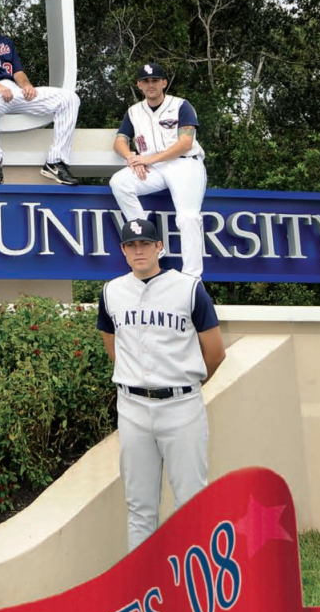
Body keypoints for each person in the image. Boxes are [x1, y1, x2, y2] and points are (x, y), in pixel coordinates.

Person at [97, 218, 226, 552]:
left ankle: (195, 591)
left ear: (159, 247)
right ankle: (142, 591)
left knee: (192, 503)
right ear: (123, 251)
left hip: (181, 405)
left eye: (145, 244)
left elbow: (214, 353)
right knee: (139, 505)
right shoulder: (112, 291)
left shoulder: (188, 288)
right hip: (133, 407)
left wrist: (186, 385)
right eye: (131, 245)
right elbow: (112, 342)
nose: (138, 250)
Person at [0, 0, 80, 185]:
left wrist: (27, 85)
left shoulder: (5, 41)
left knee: (69, 99)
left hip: (11, 91)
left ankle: (55, 161)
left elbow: (18, 72)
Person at [110, 62, 208, 278]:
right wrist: (131, 157)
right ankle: (151, 240)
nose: (150, 84)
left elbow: (185, 143)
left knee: (188, 217)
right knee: (119, 183)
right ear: (139, 85)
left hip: (185, 163)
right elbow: (119, 141)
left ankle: (193, 277)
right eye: (146, 81)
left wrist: (149, 159)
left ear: (164, 83)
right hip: (153, 167)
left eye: (155, 80)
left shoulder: (181, 105)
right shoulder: (134, 111)